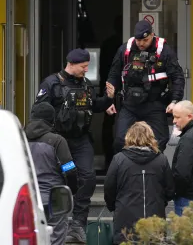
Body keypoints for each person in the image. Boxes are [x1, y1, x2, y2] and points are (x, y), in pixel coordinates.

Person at [33, 48, 115, 243]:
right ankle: (54, 222)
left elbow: (94, 105)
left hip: (80, 139)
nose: (86, 70)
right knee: (58, 178)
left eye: (87, 66)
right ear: (71, 64)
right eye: (83, 66)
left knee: (88, 177)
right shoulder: (51, 83)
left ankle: (78, 223)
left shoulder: (85, 84)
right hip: (58, 139)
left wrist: (109, 99)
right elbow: (38, 112)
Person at [106, 20, 185, 154]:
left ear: (152, 35)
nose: (141, 43)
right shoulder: (125, 50)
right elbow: (113, 75)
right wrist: (109, 100)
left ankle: (150, 167)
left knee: (160, 140)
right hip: (130, 104)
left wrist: (174, 101)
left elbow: (177, 77)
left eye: (145, 40)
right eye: (138, 40)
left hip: (155, 103)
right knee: (120, 140)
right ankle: (130, 166)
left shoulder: (164, 51)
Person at [104, 121, 175, 244]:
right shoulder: (161, 159)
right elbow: (170, 190)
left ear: (129, 137)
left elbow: (109, 189)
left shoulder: (119, 159)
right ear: (150, 137)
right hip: (155, 217)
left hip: (125, 217)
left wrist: (114, 206)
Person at [25, 102, 79, 245]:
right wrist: (71, 190)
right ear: (52, 120)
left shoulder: (20, 140)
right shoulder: (57, 141)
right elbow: (70, 170)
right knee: (55, 237)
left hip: (28, 197)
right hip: (55, 198)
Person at [100, 15, 123, 170]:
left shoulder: (110, 43)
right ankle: (112, 160)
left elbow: (103, 71)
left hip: (111, 87)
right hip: (113, 88)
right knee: (110, 124)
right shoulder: (113, 45)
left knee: (110, 124)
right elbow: (104, 69)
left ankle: (111, 160)